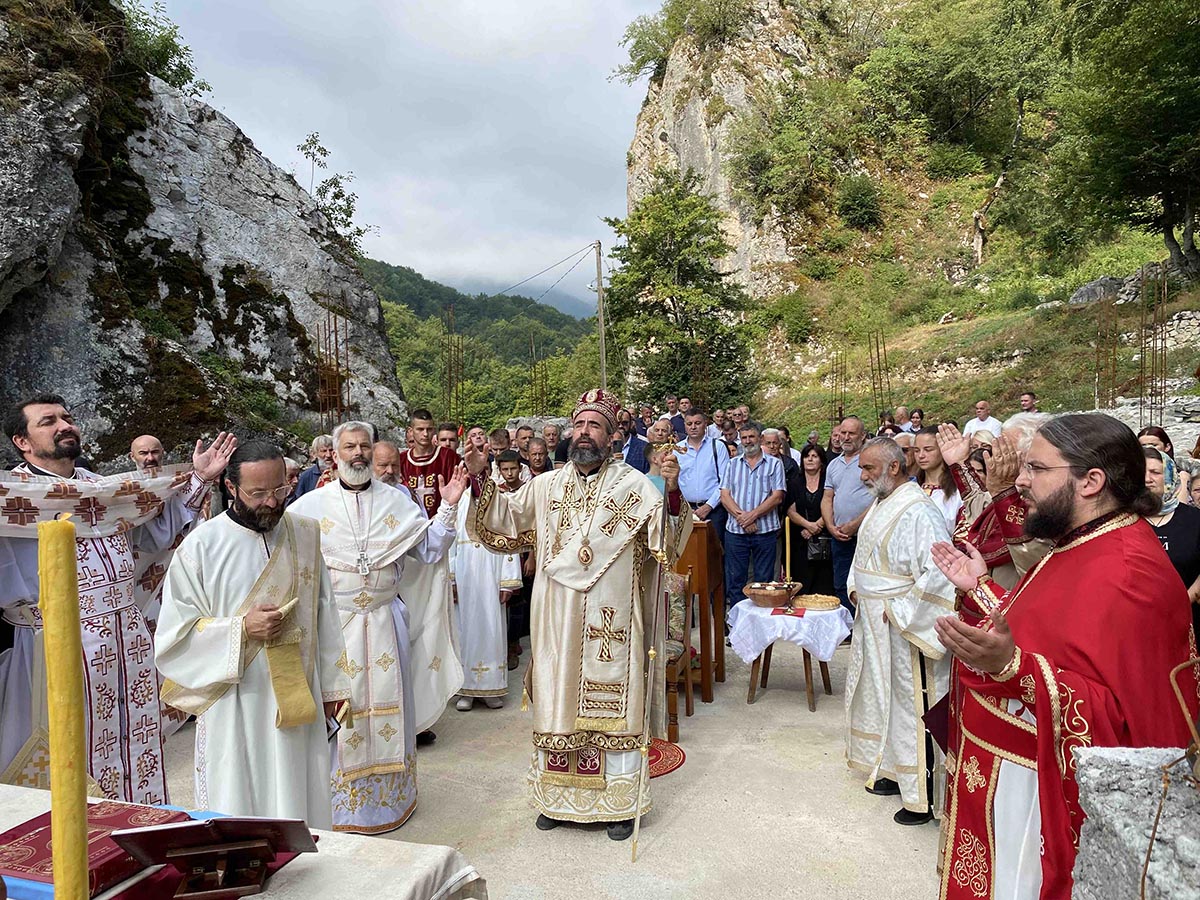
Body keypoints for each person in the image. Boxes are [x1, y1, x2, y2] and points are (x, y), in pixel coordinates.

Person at [931, 414, 1199, 899]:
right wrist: (984, 589)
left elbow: (1125, 723)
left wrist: (1012, 668)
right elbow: (1047, 630)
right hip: (1011, 781)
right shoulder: (1079, 542)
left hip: (1034, 798)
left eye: (1035, 468)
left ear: (1091, 481)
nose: (1020, 481)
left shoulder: (1130, 572)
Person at [462, 389, 691, 841]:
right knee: (557, 699)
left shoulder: (635, 486)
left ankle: (619, 805)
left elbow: (667, 546)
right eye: (580, 425)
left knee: (613, 709)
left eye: (595, 427)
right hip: (557, 619)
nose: (585, 433)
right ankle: (557, 798)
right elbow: (502, 521)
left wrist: (674, 491)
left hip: (614, 621)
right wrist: (478, 478)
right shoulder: (546, 485)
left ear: (611, 437)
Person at [0, 394, 232, 803]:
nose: (64, 425)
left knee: (134, 741)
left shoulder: (102, 491)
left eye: (68, 418)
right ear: (22, 441)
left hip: (127, 640)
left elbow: (152, 539)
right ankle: (75, 853)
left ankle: (136, 835)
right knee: (64, 749)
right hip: (52, 644)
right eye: (48, 421)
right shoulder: (10, 497)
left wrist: (198, 480)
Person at [155, 440, 351, 827]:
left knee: (301, 795)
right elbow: (174, 639)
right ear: (231, 488)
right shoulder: (201, 547)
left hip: (299, 695)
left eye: (279, 490)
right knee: (240, 797)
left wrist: (333, 688)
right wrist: (240, 629)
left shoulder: (305, 534)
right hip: (236, 701)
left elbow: (324, 612)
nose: (272, 502)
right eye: (258, 493)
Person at [290, 421, 468, 833]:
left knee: (392, 709)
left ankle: (390, 801)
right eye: (349, 447)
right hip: (335, 628)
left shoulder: (397, 501)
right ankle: (339, 806)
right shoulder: (307, 510)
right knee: (340, 713)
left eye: (364, 447)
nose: (358, 454)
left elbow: (429, 550)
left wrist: (449, 506)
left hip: (387, 622)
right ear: (334, 456)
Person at [845, 438, 956, 826]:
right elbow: (864, 555)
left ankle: (922, 798)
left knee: (913, 705)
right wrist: (856, 588)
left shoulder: (920, 511)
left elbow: (941, 570)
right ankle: (892, 770)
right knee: (882, 696)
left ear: (893, 467)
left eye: (868, 469)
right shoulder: (882, 502)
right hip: (874, 619)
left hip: (902, 623)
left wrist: (905, 611)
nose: (862, 476)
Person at [450, 459, 521, 711]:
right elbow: (449, 539)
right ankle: (465, 690)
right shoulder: (458, 502)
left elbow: (509, 538)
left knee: (492, 629)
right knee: (464, 631)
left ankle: (491, 688)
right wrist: (451, 578)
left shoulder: (499, 502)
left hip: (493, 570)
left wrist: (508, 581)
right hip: (465, 573)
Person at [720, 423, 786, 608]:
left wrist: (753, 516)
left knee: (764, 583)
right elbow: (724, 495)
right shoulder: (732, 464)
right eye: (744, 438)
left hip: (765, 532)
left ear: (760, 439)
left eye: (752, 437)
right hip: (735, 532)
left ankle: (761, 632)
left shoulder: (774, 463)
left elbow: (777, 496)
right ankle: (737, 628)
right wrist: (743, 518)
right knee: (736, 582)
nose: (748, 441)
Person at [1144, 447, 1200, 637]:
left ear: (1169, 475)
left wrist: (1184, 601)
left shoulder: (1194, 519)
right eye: (1140, 472)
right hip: (1138, 620)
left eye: (1155, 472)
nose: (1147, 478)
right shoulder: (1124, 519)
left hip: (1189, 615)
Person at [821, 416, 873, 610]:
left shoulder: (870, 462)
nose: (846, 437)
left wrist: (856, 524)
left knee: (865, 583)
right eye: (843, 433)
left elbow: (879, 498)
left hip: (865, 534)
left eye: (852, 433)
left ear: (863, 436)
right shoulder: (833, 465)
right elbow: (827, 498)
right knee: (841, 583)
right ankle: (847, 628)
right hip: (840, 535)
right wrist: (830, 526)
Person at [784, 443, 834, 595]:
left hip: (825, 537)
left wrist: (816, 526)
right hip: (800, 539)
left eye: (814, 456)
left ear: (821, 460)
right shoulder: (794, 482)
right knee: (802, 585)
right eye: (807, 456)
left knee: (824, 585)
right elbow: (790, 510)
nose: (810, 460)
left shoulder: (828, 481)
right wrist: (807, 526)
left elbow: (832, 504)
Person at [676, 408, 729, 540]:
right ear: (685, 425)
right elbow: (674, 482)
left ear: (705, 424)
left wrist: (708, 506)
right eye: (689, 424)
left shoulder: (718, 446)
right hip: (685, 511)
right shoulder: (677, 449)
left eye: (697, 423)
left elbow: (725, 481)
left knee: (715, 553)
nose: (693, 427)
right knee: (687, 555)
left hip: (714, 510)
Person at [399, 409, 461, 517]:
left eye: (429, 429)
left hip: (443, 522)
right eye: (420, 429)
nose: (425, 434)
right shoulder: (401, 460)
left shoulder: (448, 457)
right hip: (410, 524)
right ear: (410, 430)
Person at [913, 426, 962, 534]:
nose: (921, 455)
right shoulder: (911, 490)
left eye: (928, 449)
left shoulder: (957, 493)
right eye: (916, 450)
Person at [1138, 425, 1190, 505]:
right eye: (1143, 446)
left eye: (1154, 445)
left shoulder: (1185, 467)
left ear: (1167, 447)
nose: (1148, 448)